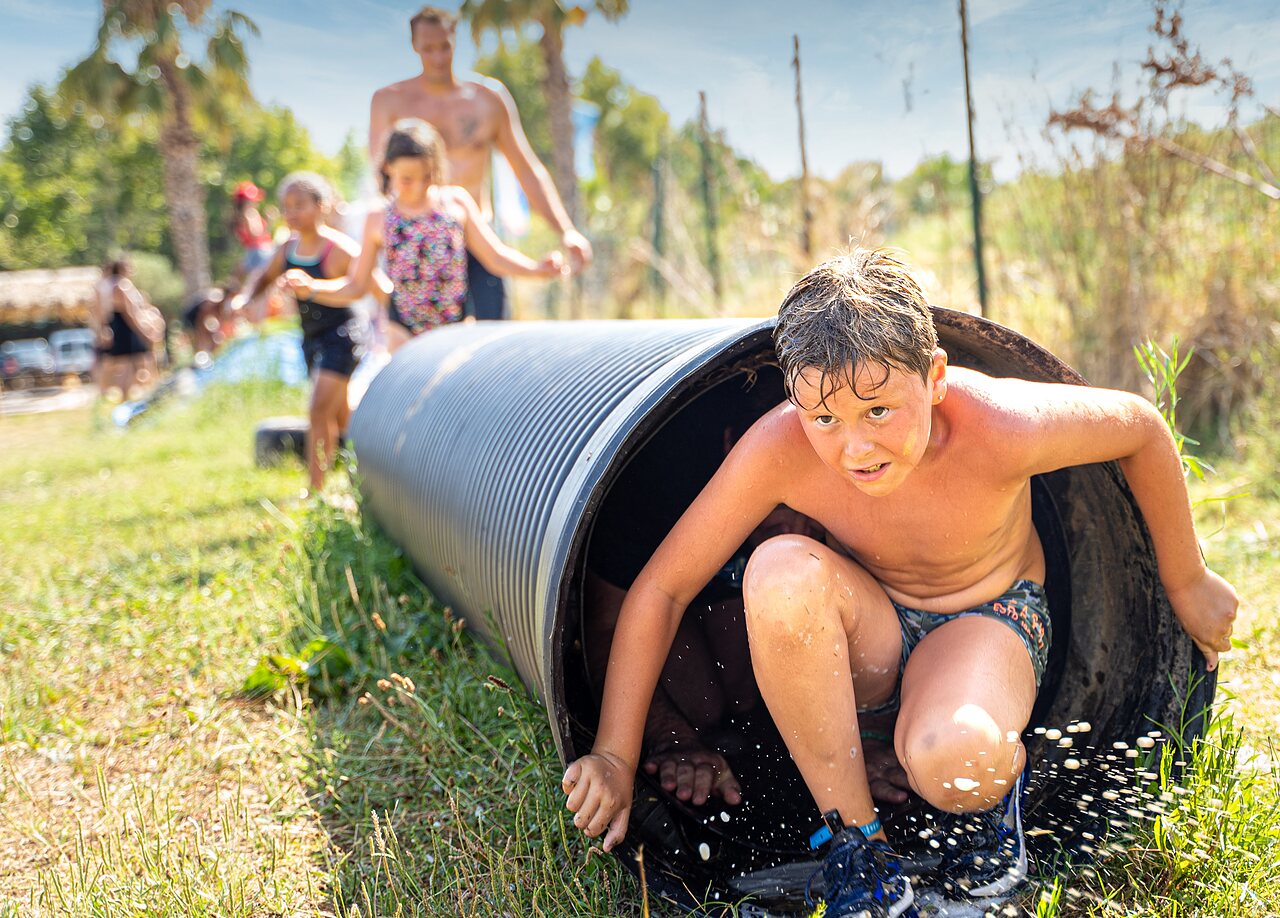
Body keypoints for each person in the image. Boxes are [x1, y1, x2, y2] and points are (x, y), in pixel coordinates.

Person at [563, 248, 1239, 916]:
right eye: (824, 418)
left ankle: (989, 811)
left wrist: (1187, 581)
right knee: (779, 569)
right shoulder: (782, 448)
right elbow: (662, 589)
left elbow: (1142, 430)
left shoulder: (1000, 427)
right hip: (873, 635)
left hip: (985, 620)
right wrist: (616, 755)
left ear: (935, 376)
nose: (854, 448)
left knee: (954, 758)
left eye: (879, 411)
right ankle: (859, 844)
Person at [368, 5, 592, 320]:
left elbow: (526, 168)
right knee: (417, 342)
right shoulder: (390, 101)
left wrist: (565, 230)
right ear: (415, 47)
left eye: (444, 47)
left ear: (455, 41)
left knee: (492, 338)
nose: (437, 57)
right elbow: (380, 174)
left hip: (478, 238)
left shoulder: (487, 99)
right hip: (418, 238)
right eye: (428, 49)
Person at [289, 119, 564, 353]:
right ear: (388, 168)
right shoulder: (380, 217)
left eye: (427, 177)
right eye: (407, 179)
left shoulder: (455, 204)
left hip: (455, 325)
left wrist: (537, 269)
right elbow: (356, 285)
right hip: (403, 330)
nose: (419, 187)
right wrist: (313, 287)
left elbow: (494, 257)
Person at [230, 172, 379, 493]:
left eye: (300, 205)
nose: (292, 213)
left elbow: (365, 285)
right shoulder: (287, 248)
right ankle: (369, 479)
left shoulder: (339, 248)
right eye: (286, 207)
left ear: (321, 206)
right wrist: (245, 298)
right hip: (311, 337)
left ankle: (316, 493)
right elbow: (263, 276)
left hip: (343, 334)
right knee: (340, 419)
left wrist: (314, 288)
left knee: (317, 409)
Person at [92, 257, 165, 398]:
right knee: (130, 364)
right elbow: (130, 312)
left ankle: (125, 396)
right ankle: (127, 397)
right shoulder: (121, 285)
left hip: (120, 325)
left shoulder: (109, 285)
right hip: (126, 327)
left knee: (128, 364)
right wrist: (142, 332)